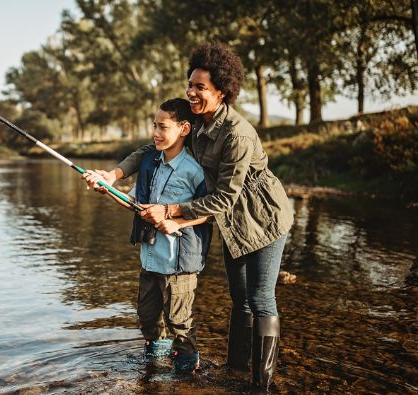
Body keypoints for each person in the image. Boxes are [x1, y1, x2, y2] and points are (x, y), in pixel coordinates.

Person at [84, 43, 293, 390]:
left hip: (264, 218)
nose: (191, 92)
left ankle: (261, 384)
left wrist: (171, 211)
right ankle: (236, 371)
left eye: (201, 87)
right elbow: (151, 150)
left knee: (260, 298)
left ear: (222, 92)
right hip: (229, 222)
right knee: (239, 299)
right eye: (191, 85)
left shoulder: (237, 133)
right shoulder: (193, 122)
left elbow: (226, 196)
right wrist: (113, 176)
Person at [85, 98, 212, 373]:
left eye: (162, 127)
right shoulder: (149, 163)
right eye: (154, 126)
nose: (155, 132)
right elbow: (135, 204)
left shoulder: (194, 171)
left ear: (184, 129)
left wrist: (176, 223)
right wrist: (107, 188)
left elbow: (211, 213)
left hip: (179, 265)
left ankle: (188, 373)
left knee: (180, 323)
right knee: (148, 320)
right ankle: (156, 371)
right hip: (150, 260)